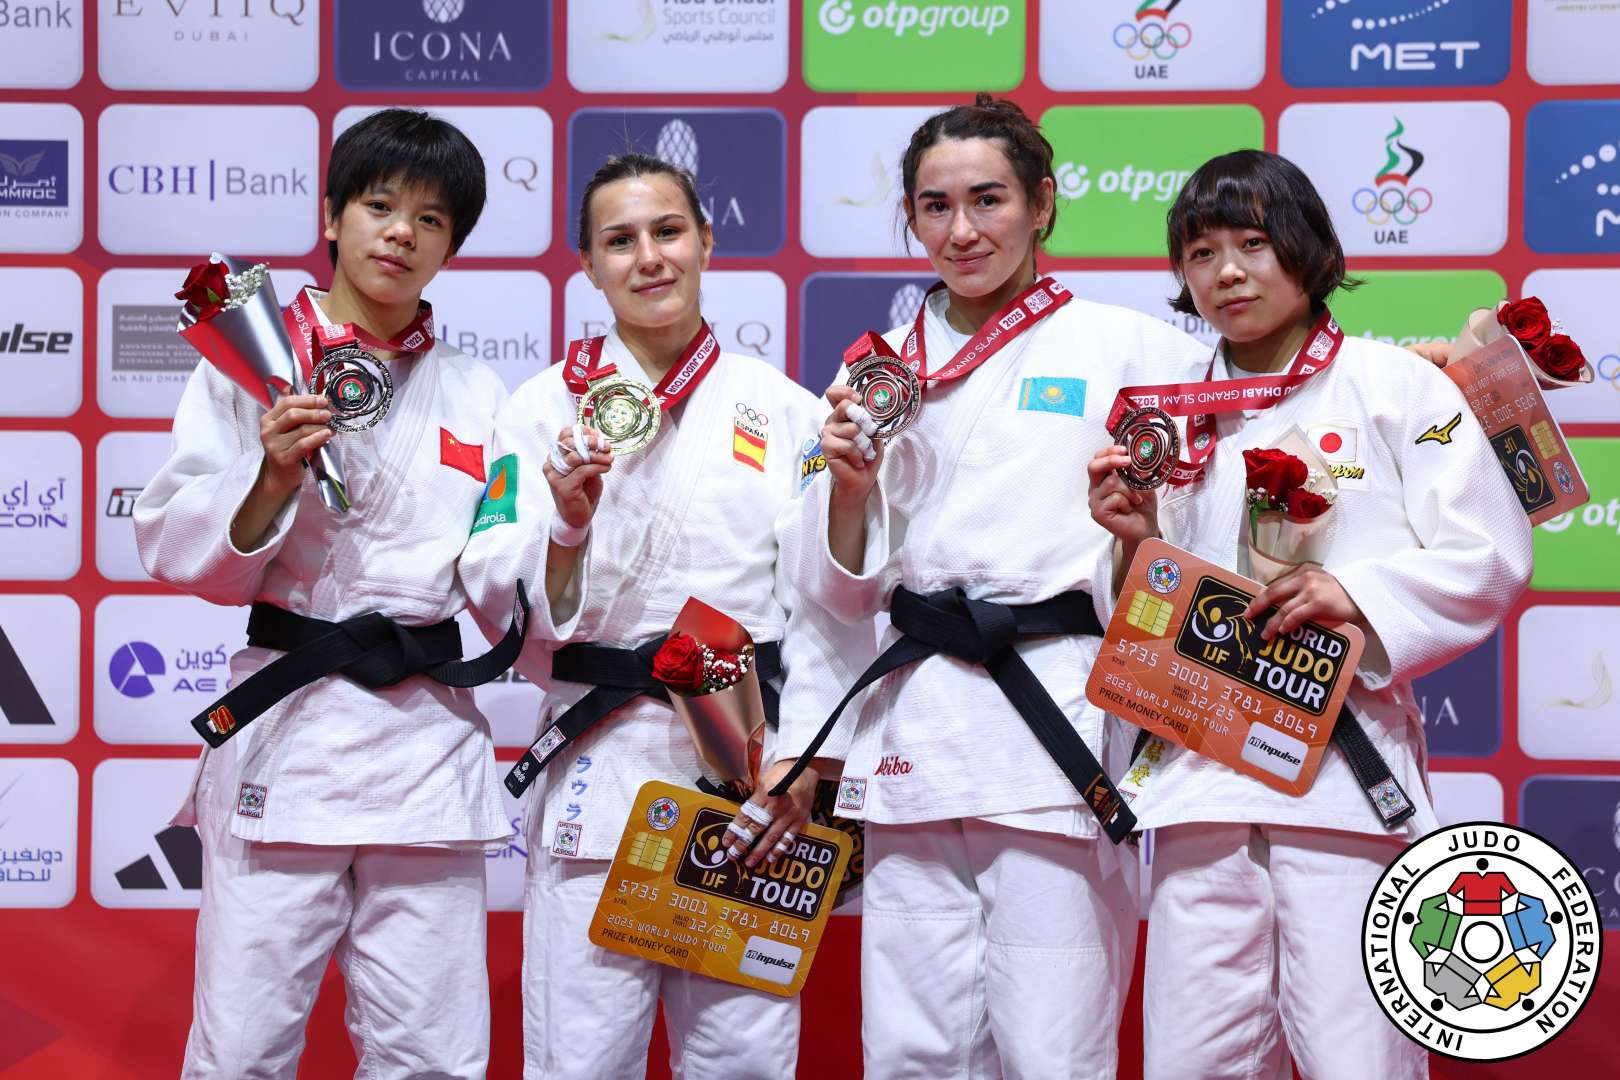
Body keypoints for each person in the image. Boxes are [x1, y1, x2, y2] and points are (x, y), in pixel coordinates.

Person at [767, 95, 1211, 1079]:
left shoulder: (1135, 349)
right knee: (910, 1046)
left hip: (1055, 722)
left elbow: (1256, 423)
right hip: (915, 729)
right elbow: (827, 588)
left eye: (988, 200)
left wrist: (1425, 377)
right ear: (910, 218)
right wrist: (848, 490)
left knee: (1054, 1045)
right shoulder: (877, 372)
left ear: (1042, 204)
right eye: (935, 207)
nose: (962, 231)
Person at [1086, 149, 1533, 1080]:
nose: (1227, 272)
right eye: (1201, 253)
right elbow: (1142, 614)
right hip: (1199, 785)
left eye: (1252, 244)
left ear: (1310, 249)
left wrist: (1356, 594)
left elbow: (1488, 552)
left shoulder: (1398, 386)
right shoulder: (1168, 417)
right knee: (1189, 1062)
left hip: (1341, 783)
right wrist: (1135, 539)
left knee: (1356, 1058)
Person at [457, 153, 872, 1080]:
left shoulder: (785, 408)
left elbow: (825, 607)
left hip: (748, 783)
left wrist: (805, 762)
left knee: (744, 1063)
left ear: (706, 242)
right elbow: (488, 584)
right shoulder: (541, 409)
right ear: (587, 265)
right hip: (602, 769)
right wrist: (567, 528)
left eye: (668, 231)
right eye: (620, 240)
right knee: (578, 1062)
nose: (648, 257)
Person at [134, 108, 515, 1079]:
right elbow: (176, 550)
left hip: (425, 749)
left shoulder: (479, 392)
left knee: (434, 1056)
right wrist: (269, 476)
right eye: (380, 206)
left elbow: (500, 575)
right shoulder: (254, 363)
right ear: (334, 216)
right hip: (291, 736)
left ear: (452, 247)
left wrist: (564, 535)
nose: (401, 233)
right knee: (242, 1050)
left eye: (431, 219)